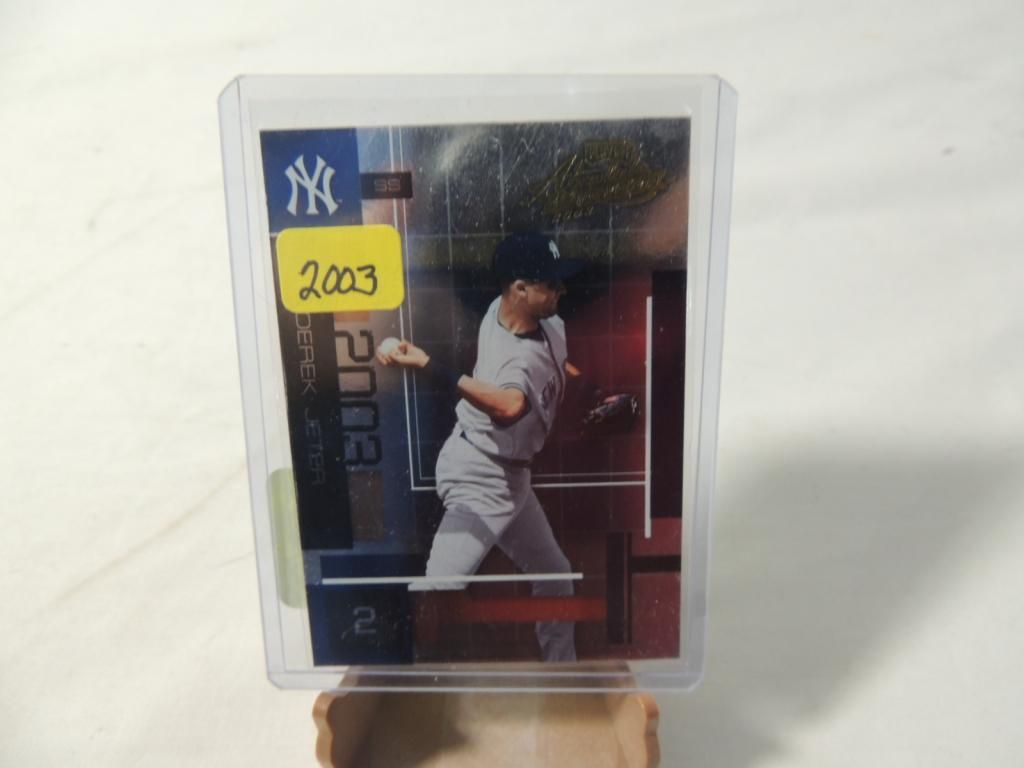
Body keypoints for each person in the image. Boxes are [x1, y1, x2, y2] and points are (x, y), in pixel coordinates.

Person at [376, 232, 585, 662]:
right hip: (479, 472)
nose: (561, 289)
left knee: (555, 575)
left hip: (512, 476)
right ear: (519, 289)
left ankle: (562, 675)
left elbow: (555, 366)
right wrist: (424, 363)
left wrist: (586, 388)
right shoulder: (513, 356)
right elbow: (509, 406)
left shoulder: (525, 317)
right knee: (440, 586)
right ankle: (406, 672)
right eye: (550, 283)